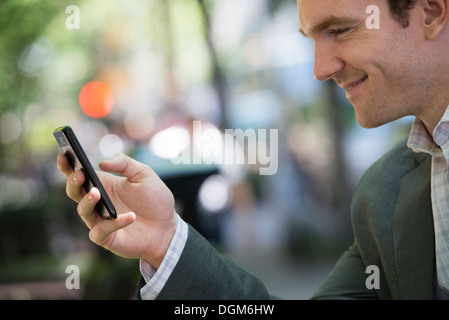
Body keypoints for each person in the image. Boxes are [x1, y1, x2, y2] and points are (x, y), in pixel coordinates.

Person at [57, 0, 449, 299]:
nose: (320, 68)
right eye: (311, 40)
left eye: (342, 30)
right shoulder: (382, 194)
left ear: (430, 12)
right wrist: (165, 241)